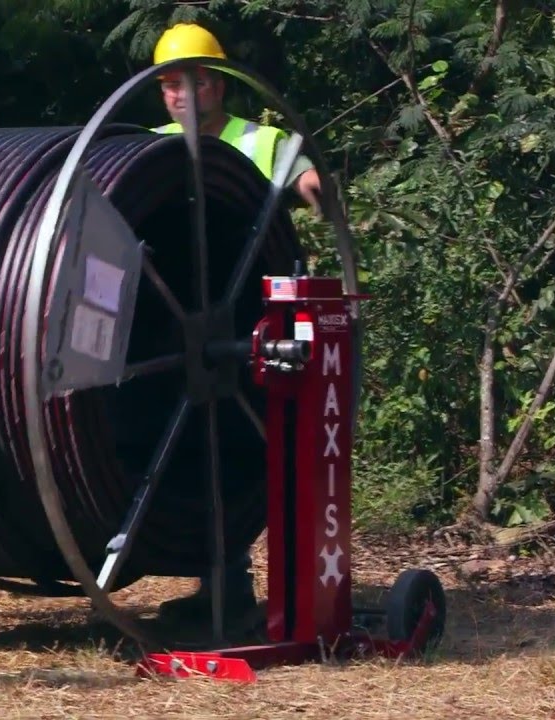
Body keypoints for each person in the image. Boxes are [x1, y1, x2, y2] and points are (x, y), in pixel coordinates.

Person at [146, 23, 320, 629]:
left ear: (216, 84)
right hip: (173, 313)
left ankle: (240, 585)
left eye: (188, 82)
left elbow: (308, 183)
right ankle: (218, 583)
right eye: (167, 84)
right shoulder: (149, 145)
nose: (177, 94)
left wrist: (316, 194)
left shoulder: (261, 141)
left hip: (245, 308)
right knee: (195, 440)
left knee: (239, 444)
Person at [150, 23, 323, 211]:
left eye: (197, 83)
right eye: (174, 85)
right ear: (163, 93)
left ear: (219, 89)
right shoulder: (149, 144)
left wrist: (315, 184)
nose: (185, 94)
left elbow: (306, 178)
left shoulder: (262, 142)